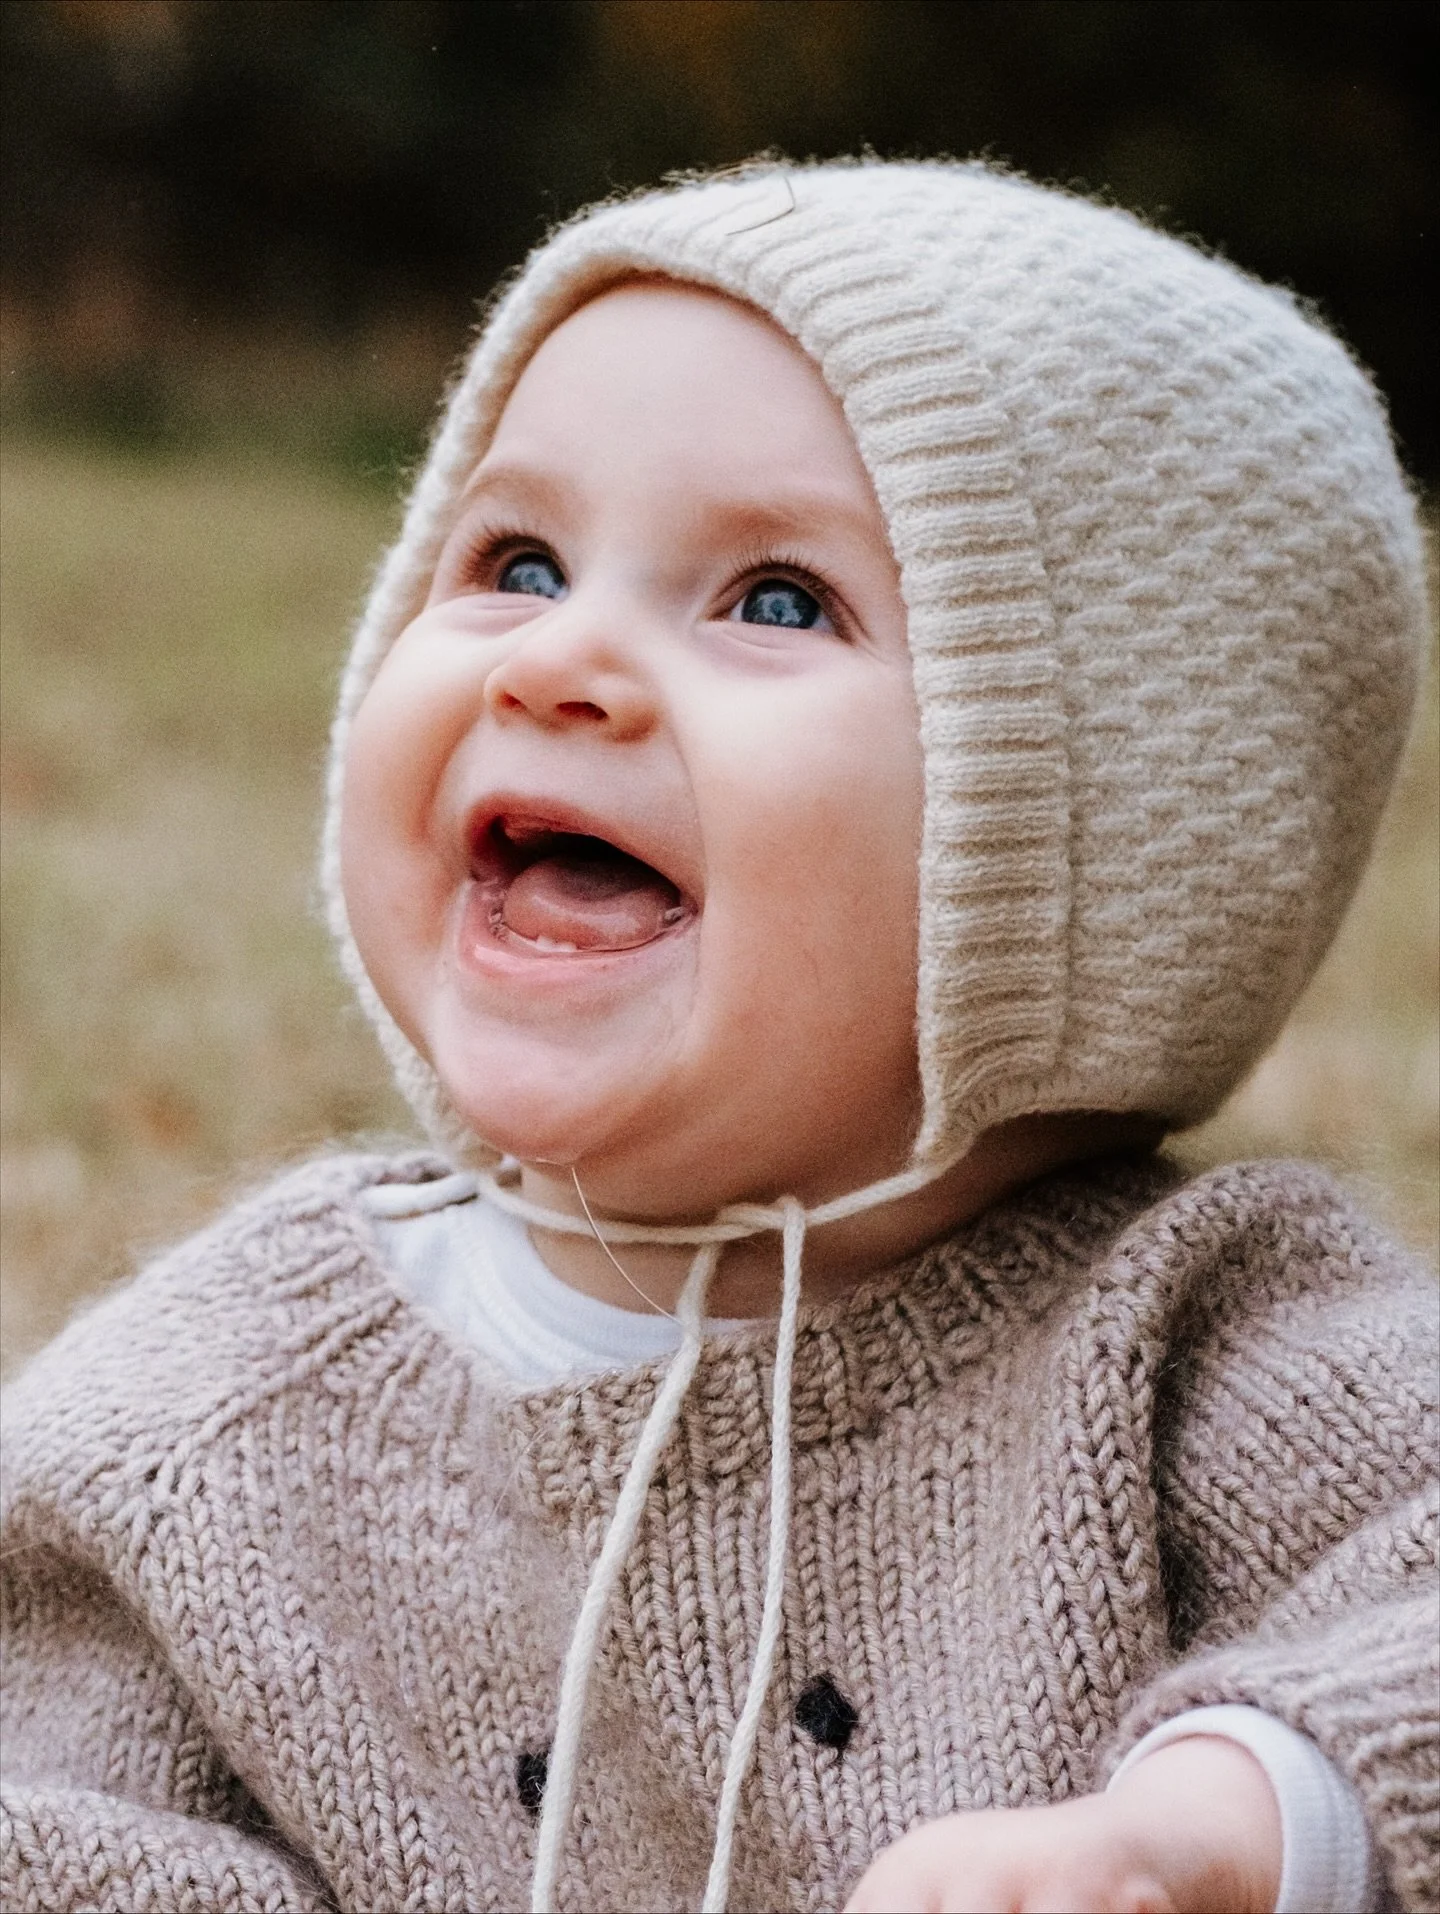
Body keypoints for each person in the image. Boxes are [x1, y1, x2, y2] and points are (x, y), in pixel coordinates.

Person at [1, 160, 1434, 1914]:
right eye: (516, 561)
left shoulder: (1209, 1339)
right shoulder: (204, 1426)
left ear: (1102, 852)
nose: (562, 660)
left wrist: (1215, 1827)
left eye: (773, 600)